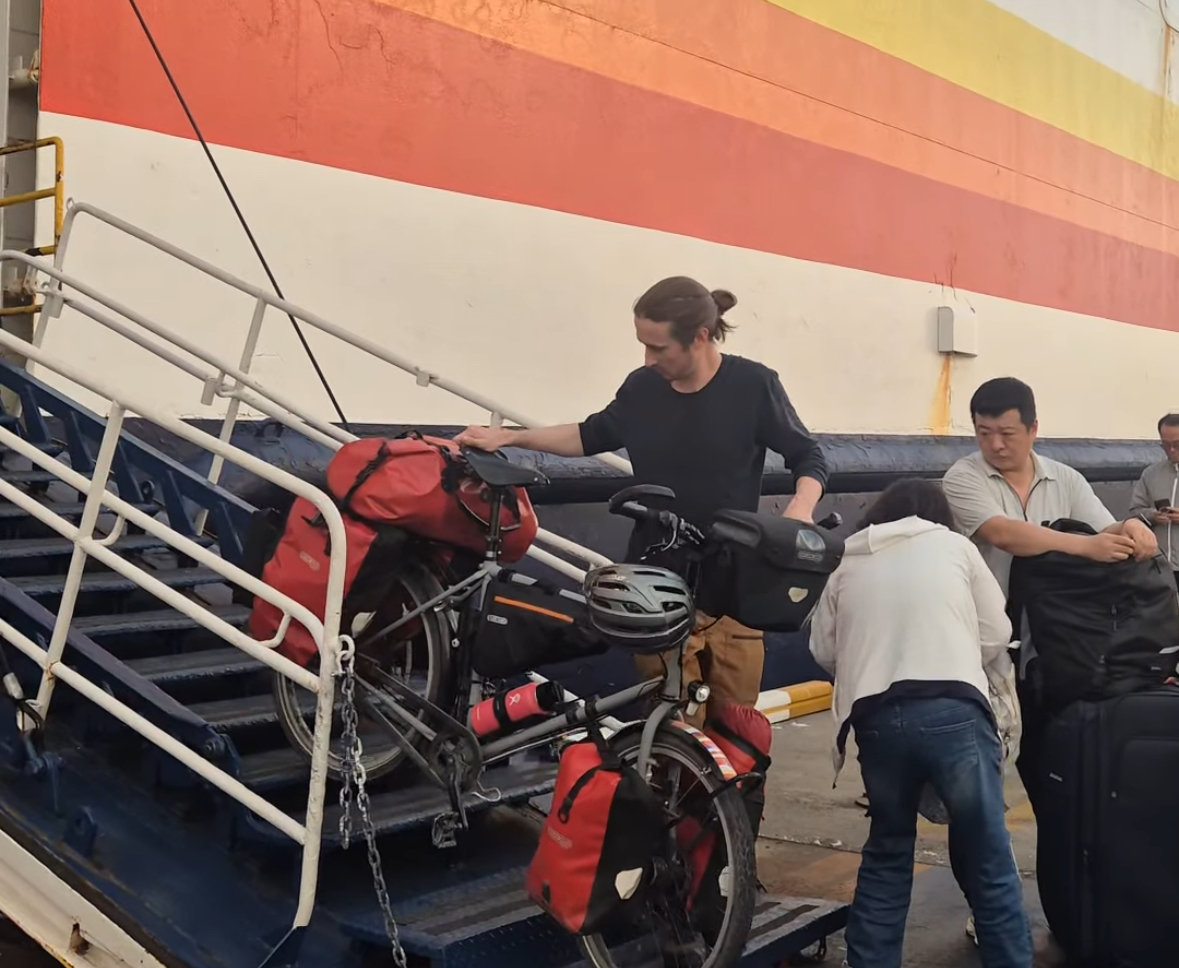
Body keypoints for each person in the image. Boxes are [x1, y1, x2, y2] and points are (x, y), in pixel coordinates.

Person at [455, 275, 828, 725]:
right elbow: (589, 434)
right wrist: (508, 437)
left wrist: (800, 508)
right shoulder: (642, 388)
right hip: (654, 586)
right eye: (642, 345)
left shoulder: (754, 385)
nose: (647, 359)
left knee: (738, 731)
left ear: (700, 338)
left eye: (658, 348)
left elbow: (808, 454)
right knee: (672, 726)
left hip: (734, 590)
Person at [808, 478, 1032, 968]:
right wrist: (948, 648)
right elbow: (998, 631)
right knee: (988, 857)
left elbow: (824, 650)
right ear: (939, 515)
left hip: (876, 718)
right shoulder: (954, 546)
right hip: (954, 712)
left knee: (888, 850)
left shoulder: (849, 556)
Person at [941, 377, 1157, 813]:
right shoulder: (963, 478)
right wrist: (1084, 545)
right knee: (984, 770)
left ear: (1033, 429)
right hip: (986, 649)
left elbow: (1103, 529)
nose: (996, 445)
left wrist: (1131, 527)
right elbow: (1002, 533)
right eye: (985, 434)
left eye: (1007, 434)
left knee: (1053, 763)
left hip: (1055, 645)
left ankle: (1065, 856)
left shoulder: (1065, 478)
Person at [1127, 412, 1179, 589]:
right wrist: (1152, 516)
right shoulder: (1151, 474)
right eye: (1165, 444)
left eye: (1177, 444)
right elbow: (1133, 514)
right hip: (1159, 567)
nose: (1171, 450)